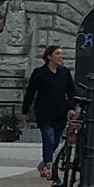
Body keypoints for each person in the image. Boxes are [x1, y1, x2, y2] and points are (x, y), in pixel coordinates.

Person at [22, 45, 78, 176]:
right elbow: (30, 92)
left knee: (56, 141)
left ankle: (45, 161)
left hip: (60, 112)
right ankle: (49, 166)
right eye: (57, 54)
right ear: (49, 57)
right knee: (49, 139)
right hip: (44, 111)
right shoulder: (39, 73)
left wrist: (71, 107)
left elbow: (71, 91)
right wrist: (25, 111)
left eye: (61, 54)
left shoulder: (65, 72)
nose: (60, 56)